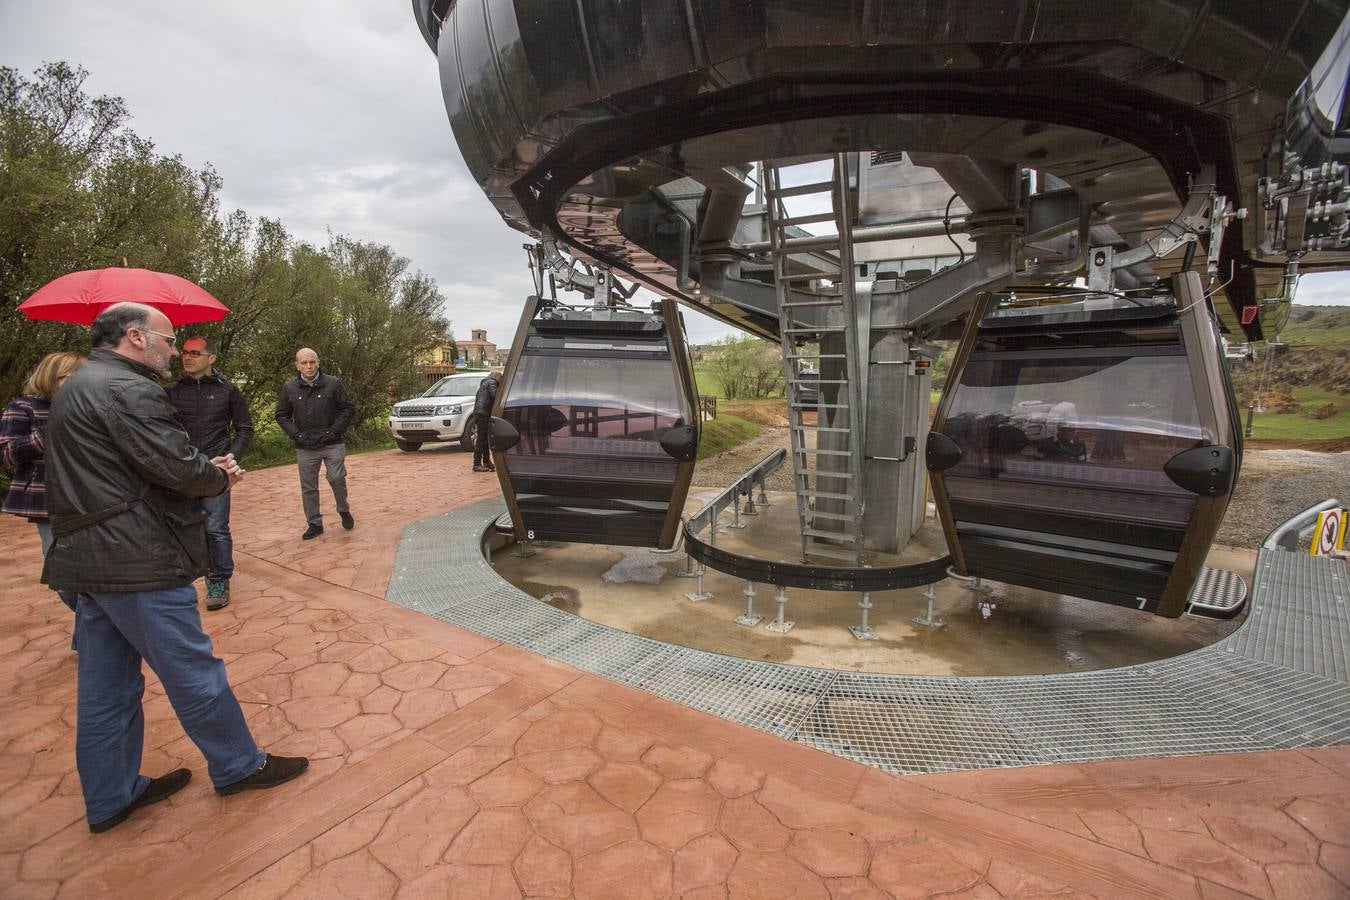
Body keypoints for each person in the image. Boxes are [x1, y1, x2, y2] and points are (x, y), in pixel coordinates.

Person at [42, 303, 307, 834]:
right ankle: (239, 764)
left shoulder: (77, 383)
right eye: (167, 339)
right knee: (192, 669)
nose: (172, 349)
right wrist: (217, 475)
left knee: (105, 688)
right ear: (136, 337)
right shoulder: (129, 389)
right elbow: (174, 467)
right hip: (136, 557)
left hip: (87, 557)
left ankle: (111, 796)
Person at [166, 335, 254, 611]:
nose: (187, 357)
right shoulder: (171, 392)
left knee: (216, 527)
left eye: (194, 353)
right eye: (184, 353)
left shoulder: (228, 391)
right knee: (183, 526)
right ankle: (181, 577)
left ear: (211, 358)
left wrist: (232, 457)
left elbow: (244, 428)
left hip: (216, 471)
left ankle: (218, 579)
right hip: (182, 470)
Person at [1, 351, 85, 614]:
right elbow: (7, 455)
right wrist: (50, 430)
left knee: (93, 572)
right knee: (62, 577)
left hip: (88, 498)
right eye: (71, 376)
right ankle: (90, 628)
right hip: (46, 501)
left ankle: (90, 635)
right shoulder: (22, 407)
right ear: (52, 377)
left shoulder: (86, 408)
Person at [275, 347, 355, 539]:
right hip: (306, 446)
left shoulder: (333, 383)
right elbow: (281, 415)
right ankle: (314, 523)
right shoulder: (289, 388)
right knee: (308, 486)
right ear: (297, 365)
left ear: (318, 362)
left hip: (332, 442)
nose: (309, 366)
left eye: (312, 362)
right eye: (304, 363)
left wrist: (333, 431)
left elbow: (347, 408)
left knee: (336, 478)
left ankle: (343, 508)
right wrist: (297, 435)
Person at [471, 370, 502, 472]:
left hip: (479, 413)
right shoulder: (492, 383)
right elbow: (496, 396)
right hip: (483, 413)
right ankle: (476, 464)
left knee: (484, 439)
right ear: (497, 377)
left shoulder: (484, 383)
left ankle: (486, 461)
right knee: (481, 439)